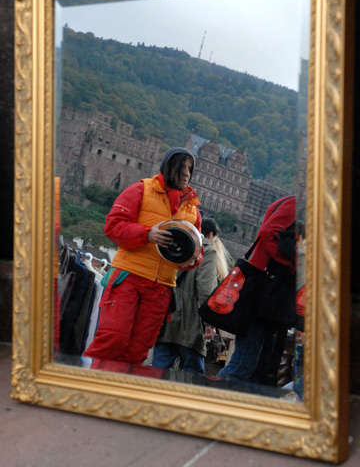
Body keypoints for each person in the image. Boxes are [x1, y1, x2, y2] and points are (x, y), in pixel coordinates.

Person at [83, 147, 203, 366]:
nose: (187, 173)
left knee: (139, 350)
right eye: (182, 167)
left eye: (190, 169)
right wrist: (147, 234)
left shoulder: (193, 211)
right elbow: (113, 226)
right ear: (168, 166)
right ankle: (92, 389)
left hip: (162, 288)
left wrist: (192, 259)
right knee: (113, 339)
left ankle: (118, 395)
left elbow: (197, 253)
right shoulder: (141, 189)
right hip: (128, 277)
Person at [217, 195, 296, 387]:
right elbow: (268, 231)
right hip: (265, 295)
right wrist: (294, 262)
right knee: (243, 366)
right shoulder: (298, 205)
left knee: (252, 367)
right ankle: (204, 402)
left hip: (267, 295)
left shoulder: (290, 203)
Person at [152, 218, 230, 374]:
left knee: (157, 370)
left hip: (167, 318)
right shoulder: (207, 251)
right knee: (192, 375)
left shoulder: (176, 243)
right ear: (211, 235)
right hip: (191, 323)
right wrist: (209, 322)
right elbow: (205, 288)